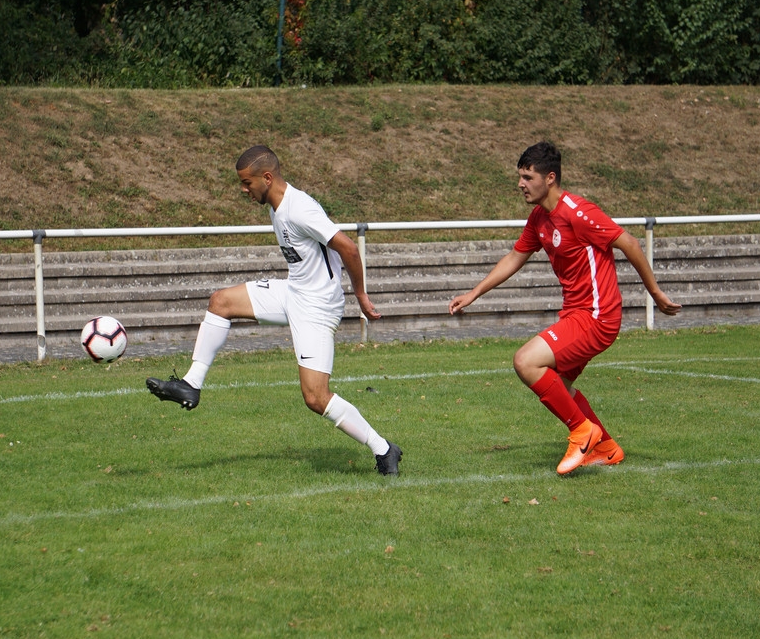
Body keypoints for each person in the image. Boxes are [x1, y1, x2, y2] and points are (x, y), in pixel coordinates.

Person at [146, 145, 403, 476]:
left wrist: (361, 295)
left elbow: (349, 248)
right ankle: (191, 384)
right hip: (293, 292)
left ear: (267, 177)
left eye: (247, 183)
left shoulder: (300, 209)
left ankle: (384, 450)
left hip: (317, 306)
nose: (243, 190)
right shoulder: (276, 204)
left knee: (315, 397)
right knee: (220, 302)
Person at [448, 141, 681, 475]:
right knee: (559, 384)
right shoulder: (540, 218)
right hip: (576, 313)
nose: (520, 184)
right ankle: (606, 447)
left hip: (597, 316)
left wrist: (655, 293)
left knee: (525, 361)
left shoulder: (578, 212)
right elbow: (516, 256)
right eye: (520, 176)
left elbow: (628, 242)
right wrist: (474, 293)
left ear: (550, 178)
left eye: (528, 177)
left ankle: (582, 431)